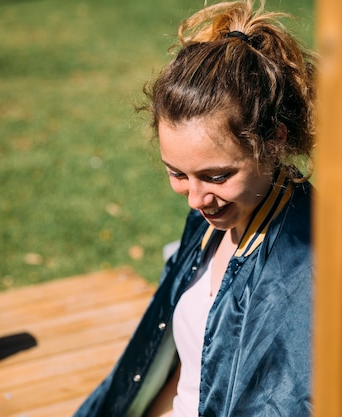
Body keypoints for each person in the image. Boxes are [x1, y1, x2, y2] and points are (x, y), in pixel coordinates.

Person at [74, 1, 316, 415]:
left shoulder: (304, 268)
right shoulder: (218, 219)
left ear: (274, 140)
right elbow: (183, 366)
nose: (195, 200)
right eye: (178, 174)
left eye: (217, 176)